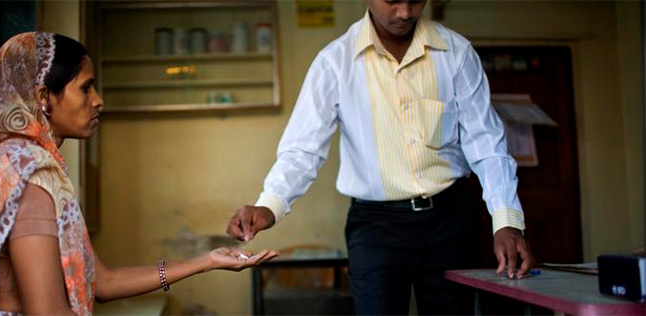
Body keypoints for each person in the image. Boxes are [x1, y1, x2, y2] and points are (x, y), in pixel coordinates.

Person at [0, 32, 278, 316]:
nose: (98, 100)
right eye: (86, 87)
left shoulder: (12, 163)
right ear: (44, 97)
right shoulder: (26, 174)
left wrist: (206, 261)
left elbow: (103, 283)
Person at [226, 0, 534, 314]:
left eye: (414, 0)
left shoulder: (456, 53)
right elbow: (303, 149)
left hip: (449, 220)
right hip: (377, 228)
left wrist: (506, 221)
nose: (404, 12)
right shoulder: (335, 62)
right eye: (391, 0)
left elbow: (487, 142)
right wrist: (270, 204)